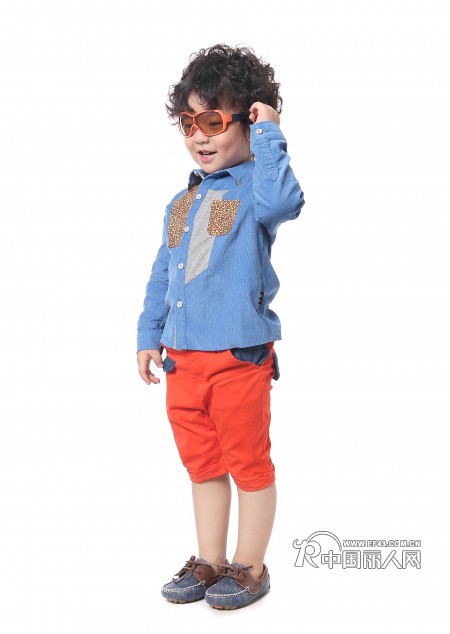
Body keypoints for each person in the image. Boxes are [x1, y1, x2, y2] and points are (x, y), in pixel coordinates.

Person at [136, 44, 305, 610]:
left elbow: (285, 201)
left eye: (213, 122)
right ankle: (209, 560)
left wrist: (269, 134)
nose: (199, 137)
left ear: (247, 121)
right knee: (203, 463)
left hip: (237, 356)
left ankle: (250, 566)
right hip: (182, 359)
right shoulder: (181, 201)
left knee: (248, 462)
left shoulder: (258, 188)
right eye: (189, 124)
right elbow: (163, 272)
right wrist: (148, 334)